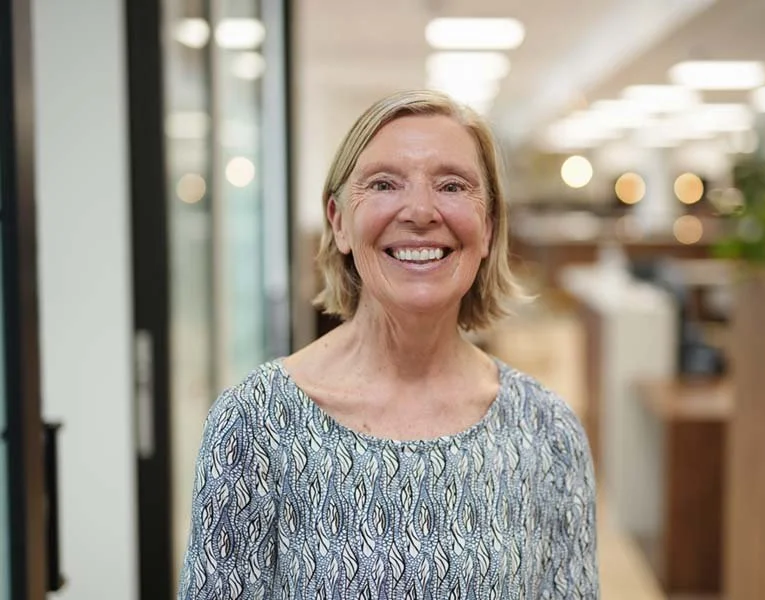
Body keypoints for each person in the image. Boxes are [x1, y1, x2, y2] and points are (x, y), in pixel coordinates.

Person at [177, 89, 599, 599]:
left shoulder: (547, 431)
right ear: (338, 223)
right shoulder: (256, 423)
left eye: (451, 185)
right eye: (383, 183)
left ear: (487, 227)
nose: (420, 211)